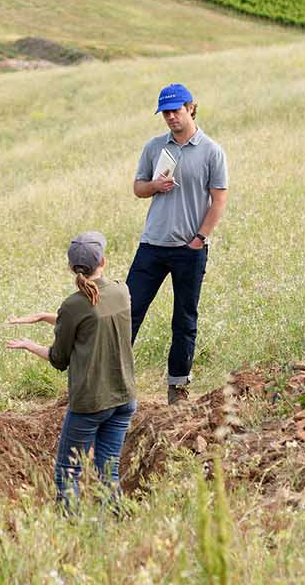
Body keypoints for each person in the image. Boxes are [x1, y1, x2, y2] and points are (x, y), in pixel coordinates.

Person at [5, 231, 137, 509]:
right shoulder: (121, 291)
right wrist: (45, 318)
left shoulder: (73, 305)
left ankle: (74, 528)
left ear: (70, 268)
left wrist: (30, 345)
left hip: (91, 403)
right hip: (124, 397)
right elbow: (93, 319)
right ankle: (114, 522)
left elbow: (58, 358)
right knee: (108, 471)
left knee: (67, 471)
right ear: (104, 260)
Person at [127, 82, 229, 404]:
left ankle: (178, 387)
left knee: (184, 320)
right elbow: (138, 189)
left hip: (190, 248)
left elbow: (219, 200)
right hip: (153, 244)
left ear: (191, 108)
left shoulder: (212, 151)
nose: (171, 117)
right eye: (165, 113)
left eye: (176, 111)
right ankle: (110, 378)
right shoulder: (154, 147)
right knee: (127, 312)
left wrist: (200, 239)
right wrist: (155, 185)